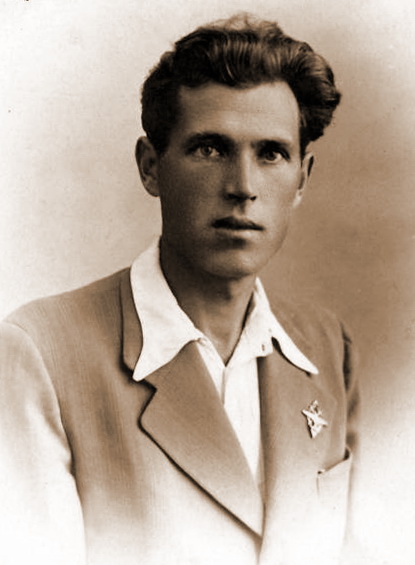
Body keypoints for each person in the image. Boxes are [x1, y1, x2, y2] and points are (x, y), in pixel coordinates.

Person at [0, 13, 359, 565]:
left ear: (302, 179)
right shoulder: (39, 352)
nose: (243, 187)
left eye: (271, 153)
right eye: (210, 149)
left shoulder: (329, 346)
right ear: (151, 167)